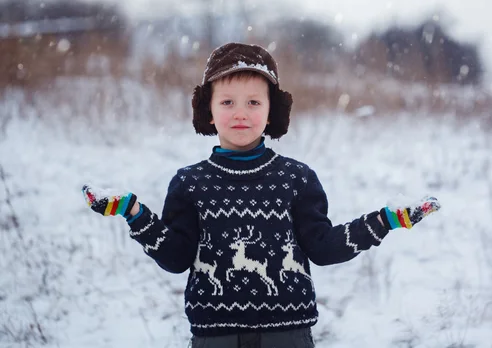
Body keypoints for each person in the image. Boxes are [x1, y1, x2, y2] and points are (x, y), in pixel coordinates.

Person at [81, 42, 441, 348]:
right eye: (227, 103)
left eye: (254, 102)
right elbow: (176, 257)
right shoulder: (190, 183)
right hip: (213, 337)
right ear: (208, 108)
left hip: (288, 336)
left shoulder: (296, 179)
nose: (241, 113)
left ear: (272, 111)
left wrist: (384, 220)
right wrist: (133, 212)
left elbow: (323, 247)